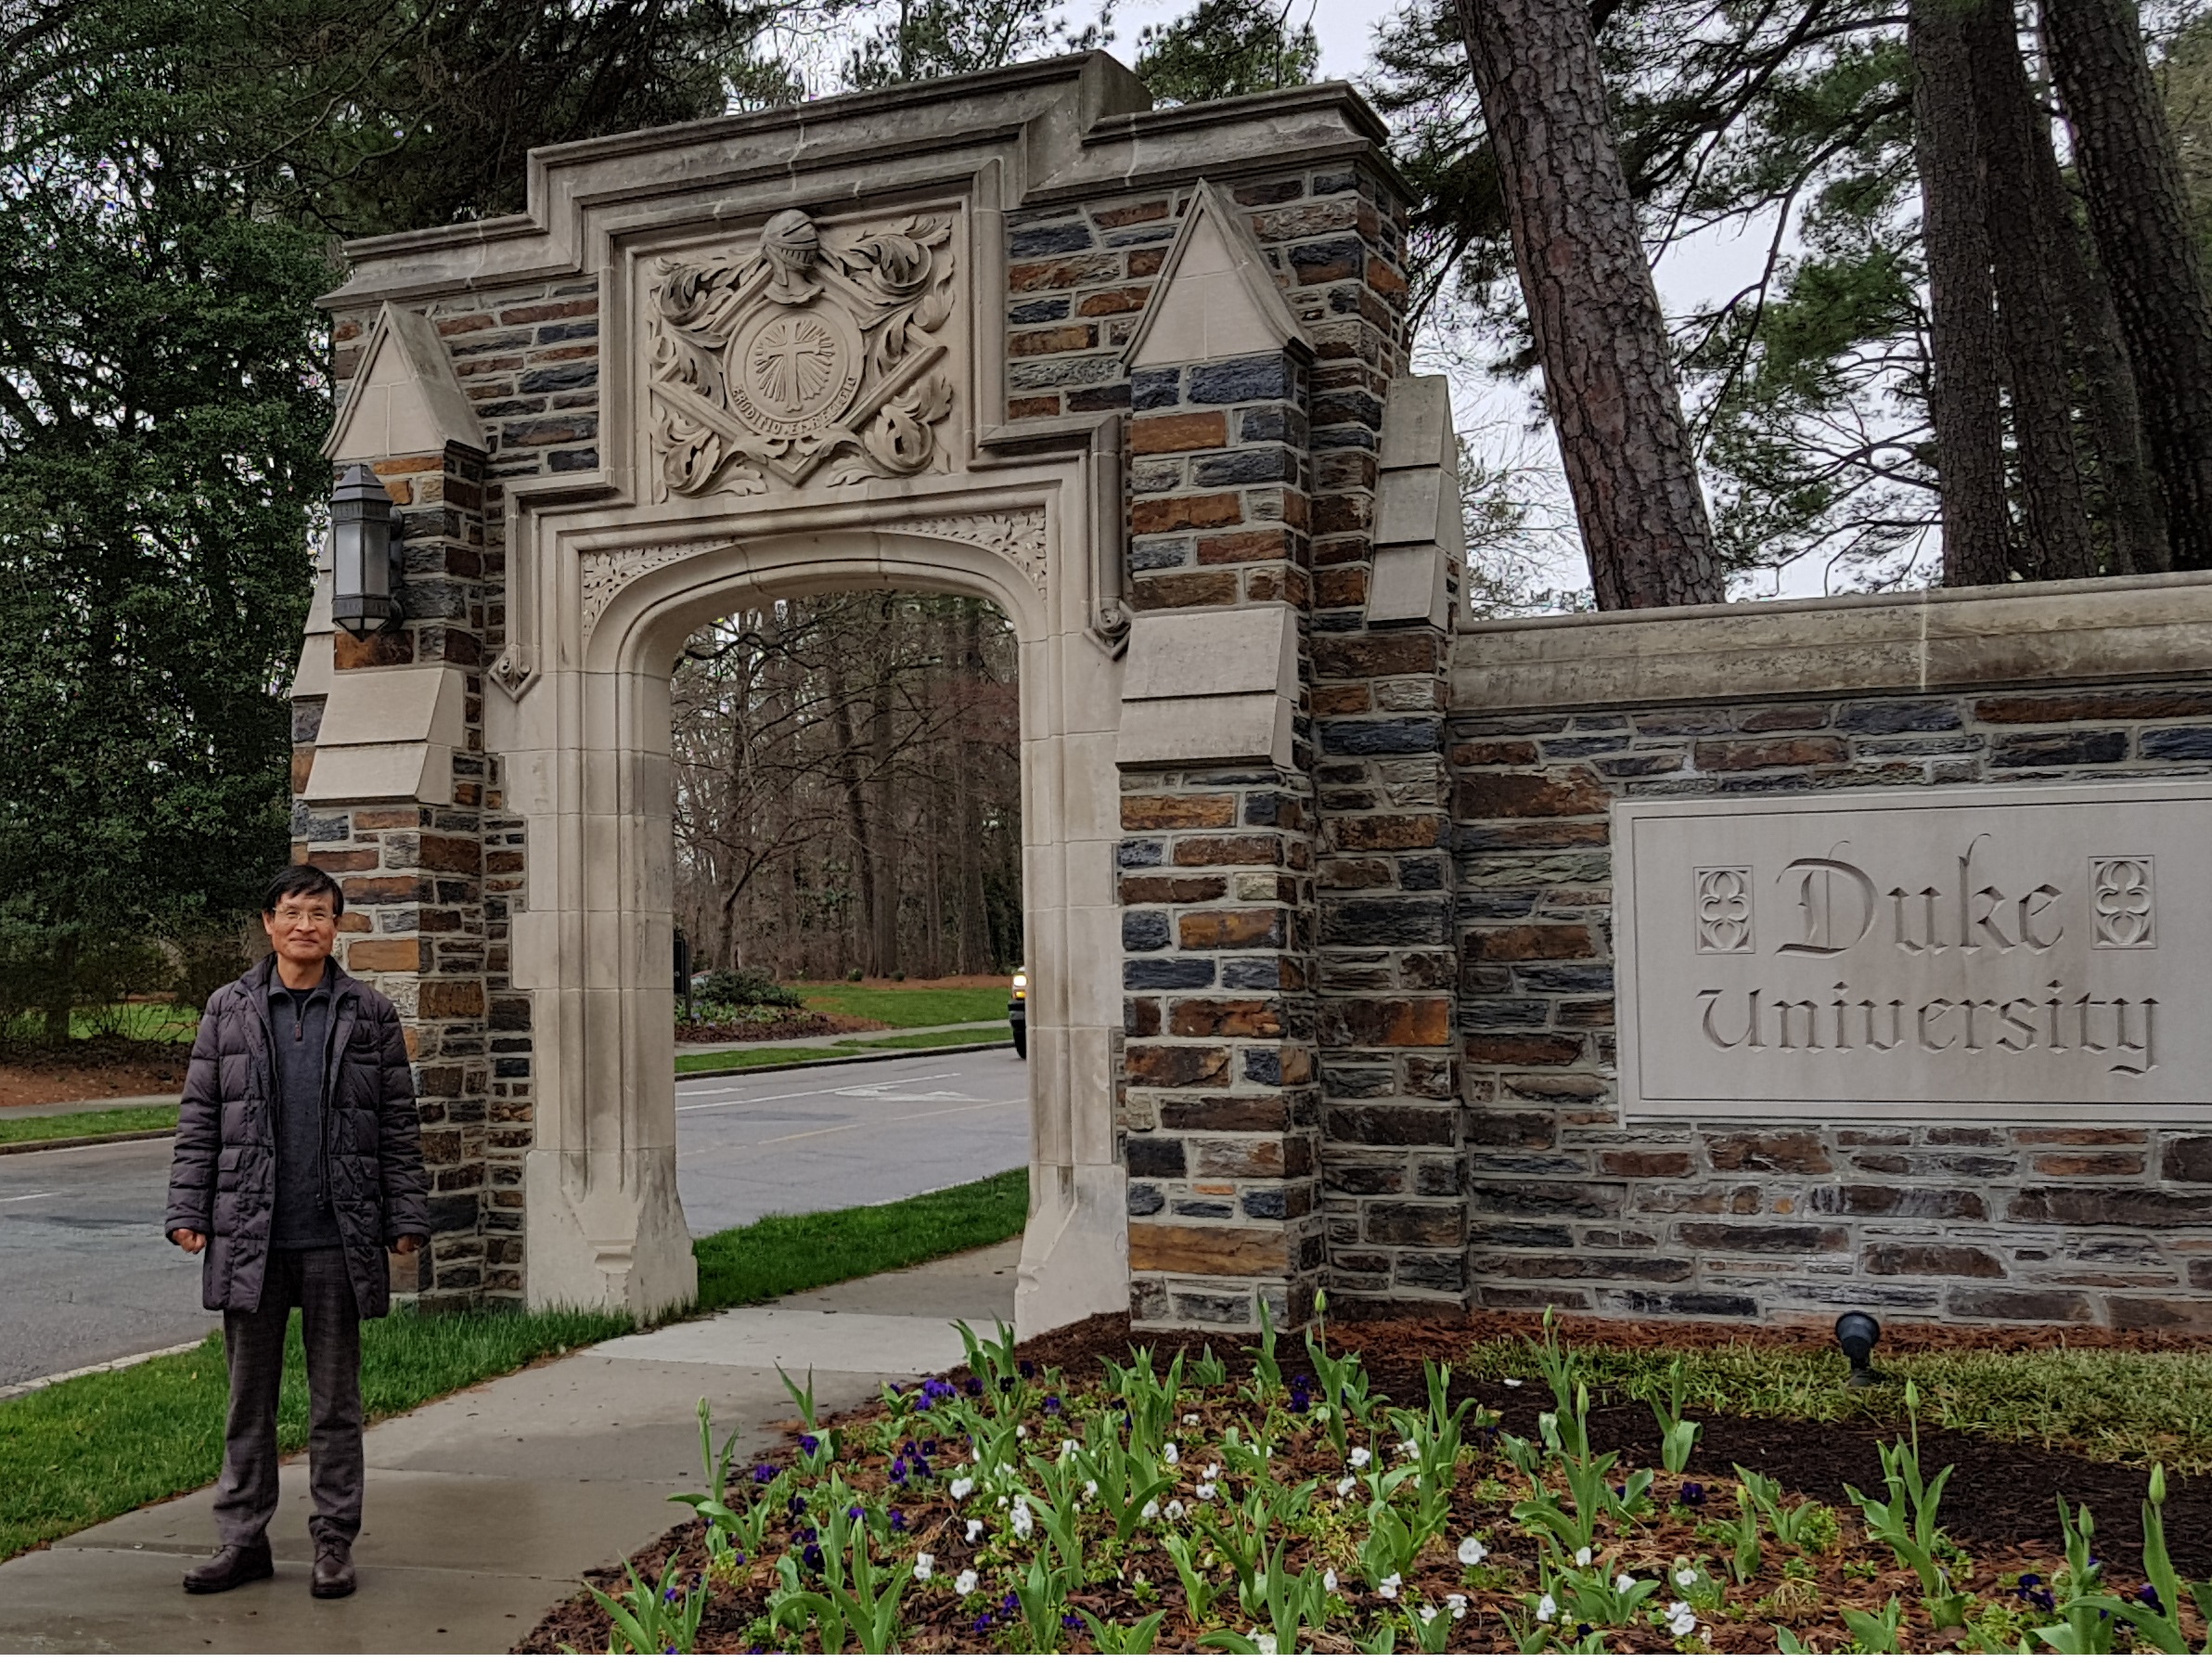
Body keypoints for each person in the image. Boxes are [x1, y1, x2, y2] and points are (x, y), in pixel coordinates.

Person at [164, 863, 431, 1600]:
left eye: (319, 913)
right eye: (292, 912)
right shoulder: (228, 1009)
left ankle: (333, 1542)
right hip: (250, 1235)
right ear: (269, 923)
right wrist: (187, 1209)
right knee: (247, 1402)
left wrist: (405, 1215)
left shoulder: (370, 1013)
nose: (304, 925)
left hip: (335, 1238)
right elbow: (199, 1119)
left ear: (336, 926)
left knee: (335, 1404)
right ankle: (241, 1540)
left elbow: (397, 1126)